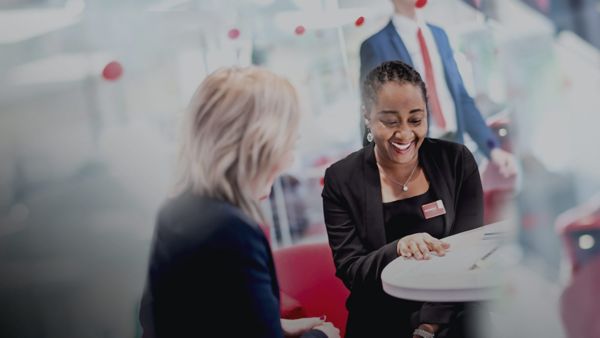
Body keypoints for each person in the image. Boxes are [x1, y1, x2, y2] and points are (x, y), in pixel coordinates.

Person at [139, 67, 340, 338]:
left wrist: (277, 326)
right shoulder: (231, 231)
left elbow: (180, 317)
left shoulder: (175, 211)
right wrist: (321, 337)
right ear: (262, 141)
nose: (291, 154)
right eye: (291, 139)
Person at [322, 61, 485, 338]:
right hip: (379, 323)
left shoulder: (457, 162)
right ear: (367, 116)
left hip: (452, 318)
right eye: (390, 121)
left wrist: (429, 325)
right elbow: (352, 270)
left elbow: (467, 258)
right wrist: (399, 248)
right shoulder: (341, 179)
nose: (405, 134)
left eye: (416, 119)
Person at [359, 0, 516, 178]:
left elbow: (461, 99)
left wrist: (492, 149)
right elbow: (370, 115)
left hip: (454, 150)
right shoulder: (376, 46)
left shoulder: (439, 35)